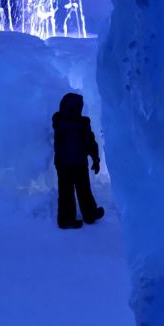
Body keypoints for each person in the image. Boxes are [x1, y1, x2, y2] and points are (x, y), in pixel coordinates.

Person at [52, 92, 105, 229]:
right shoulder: (82, 123)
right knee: (83, 191)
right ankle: (90, 214)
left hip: (62, 165)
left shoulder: (58, 121)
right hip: (79, 164)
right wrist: (96, 159)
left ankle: (66, 220)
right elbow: (90, 143)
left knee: (65, 192)